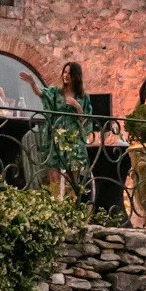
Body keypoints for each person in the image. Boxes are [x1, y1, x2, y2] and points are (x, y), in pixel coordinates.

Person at [19, 62, 91, 200]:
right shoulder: (56, 92)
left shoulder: (83, 97)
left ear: (76, 76)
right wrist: (33, 83)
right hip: (56, 135)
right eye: (65, 72)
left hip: (73, 137)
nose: (66, 75)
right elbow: (41, 93)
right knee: (53, 168)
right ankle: (55, 200)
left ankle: (71, 202)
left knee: (72, 171)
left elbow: (86, 121)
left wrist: (78, 107)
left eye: (69, 73)